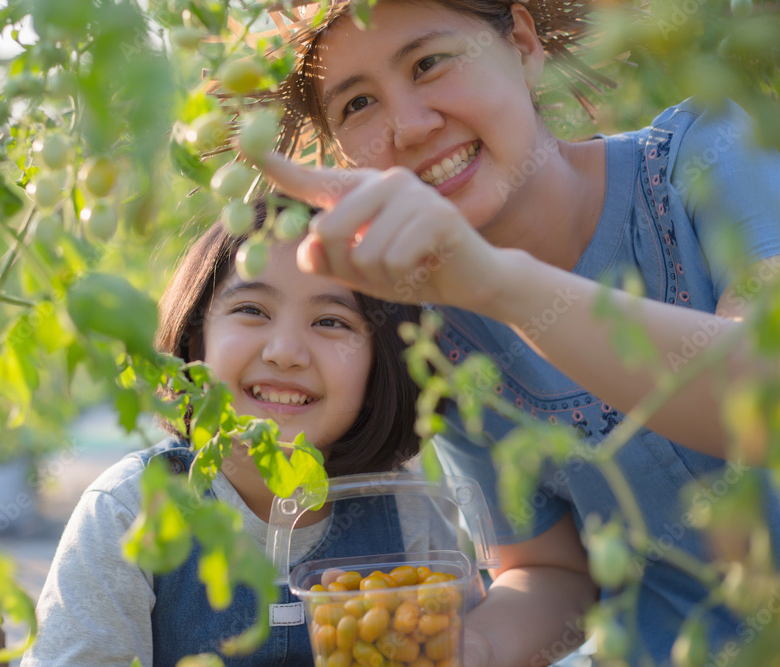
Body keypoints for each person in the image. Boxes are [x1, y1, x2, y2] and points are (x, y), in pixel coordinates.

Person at [246, 0, 780, 665]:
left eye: (429, 63)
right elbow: (550, 571)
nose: (408, 127)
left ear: (523, 44)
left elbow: (764, 394)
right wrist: (462, 649)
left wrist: (498, 283)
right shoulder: (438, 333)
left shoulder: (710, 152)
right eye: (357, 105)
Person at [22, 200, 436, 666]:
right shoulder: (125, 512)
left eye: (331, 321)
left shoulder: (409, 512)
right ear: (196, 339)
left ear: (381, 363)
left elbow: (457, 644)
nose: (285, 352)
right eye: (252, 310)